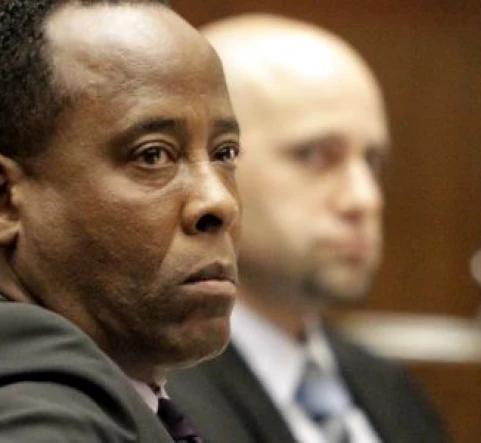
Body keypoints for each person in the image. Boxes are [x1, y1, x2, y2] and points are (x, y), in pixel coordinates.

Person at [0, 0, 242, 441]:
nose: (220, 202)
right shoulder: (27, 420)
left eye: (224, 153)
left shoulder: (78, 398)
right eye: (152, 155)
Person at [165, 14, 447, 443]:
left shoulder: (391, 387)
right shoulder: (156, 403)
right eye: (315, 156)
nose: (364, 199)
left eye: (371, 161)